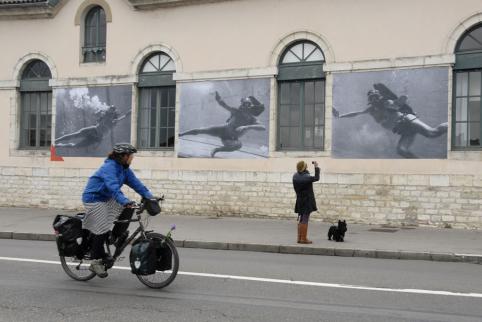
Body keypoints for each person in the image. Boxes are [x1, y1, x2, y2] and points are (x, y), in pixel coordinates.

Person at [81, 143, 154, 277]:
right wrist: (124, 201)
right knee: (102, 226)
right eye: (131, 156)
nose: (132, 158)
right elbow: (113, 187)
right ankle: (95, 261)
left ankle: (115, 236)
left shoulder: (124, 169)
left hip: (107, 197)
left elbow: (136, 184)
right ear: (123, 156)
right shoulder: (109, 167)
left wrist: (150, 197)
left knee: (129, 207)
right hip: (94, 198)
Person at [332, 83, 448, 158]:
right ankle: (421, 165)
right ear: (370, 100)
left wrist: (401, 100)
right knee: (401, 150)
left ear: (379, 97)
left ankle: (451, 125)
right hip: (403, 131)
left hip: (407, 121)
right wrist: (340, 116)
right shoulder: (371, 110)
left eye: (376, 97)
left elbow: (396, 105)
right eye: (372, 98)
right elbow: (356, 113)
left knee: (432, 133)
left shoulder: (386, 103)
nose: (375, 100)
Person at [179, 91, 265, 157]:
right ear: (242, 105)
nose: (244, 107)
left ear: (251, 107)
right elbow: (224, 105)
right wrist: (218, 99)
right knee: (201, 130)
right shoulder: (236, 111)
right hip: (223, 130)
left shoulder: (252, 119)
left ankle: (217, 150)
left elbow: (263, 127)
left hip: (231, 139)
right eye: (243, 104)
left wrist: (247, 127)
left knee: (238, 146)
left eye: (247, 105)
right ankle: (181, 134)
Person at [55, 106, 131, 149]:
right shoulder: (104, 115)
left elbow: (123, 117)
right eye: (109, 112)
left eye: (111, 114)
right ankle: (55, 140)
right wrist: (99, 111)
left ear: (113, 115)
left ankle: (58, 145)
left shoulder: (114, 121)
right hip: (93, 130)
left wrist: (98, 145)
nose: (110, 115)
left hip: (97, 138)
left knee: (75, 146)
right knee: (74, 135)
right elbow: (95, 114)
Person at [293, 160, 320, 244]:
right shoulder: (306, 177)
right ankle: (303, 239)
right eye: (306, 166)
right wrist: (316, 167)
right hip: (307, 201)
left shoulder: (295, 176)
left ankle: (299, 238)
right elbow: (316, 178)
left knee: (301, 218)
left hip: (300, 200)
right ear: (304, 167)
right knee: (305, 219)